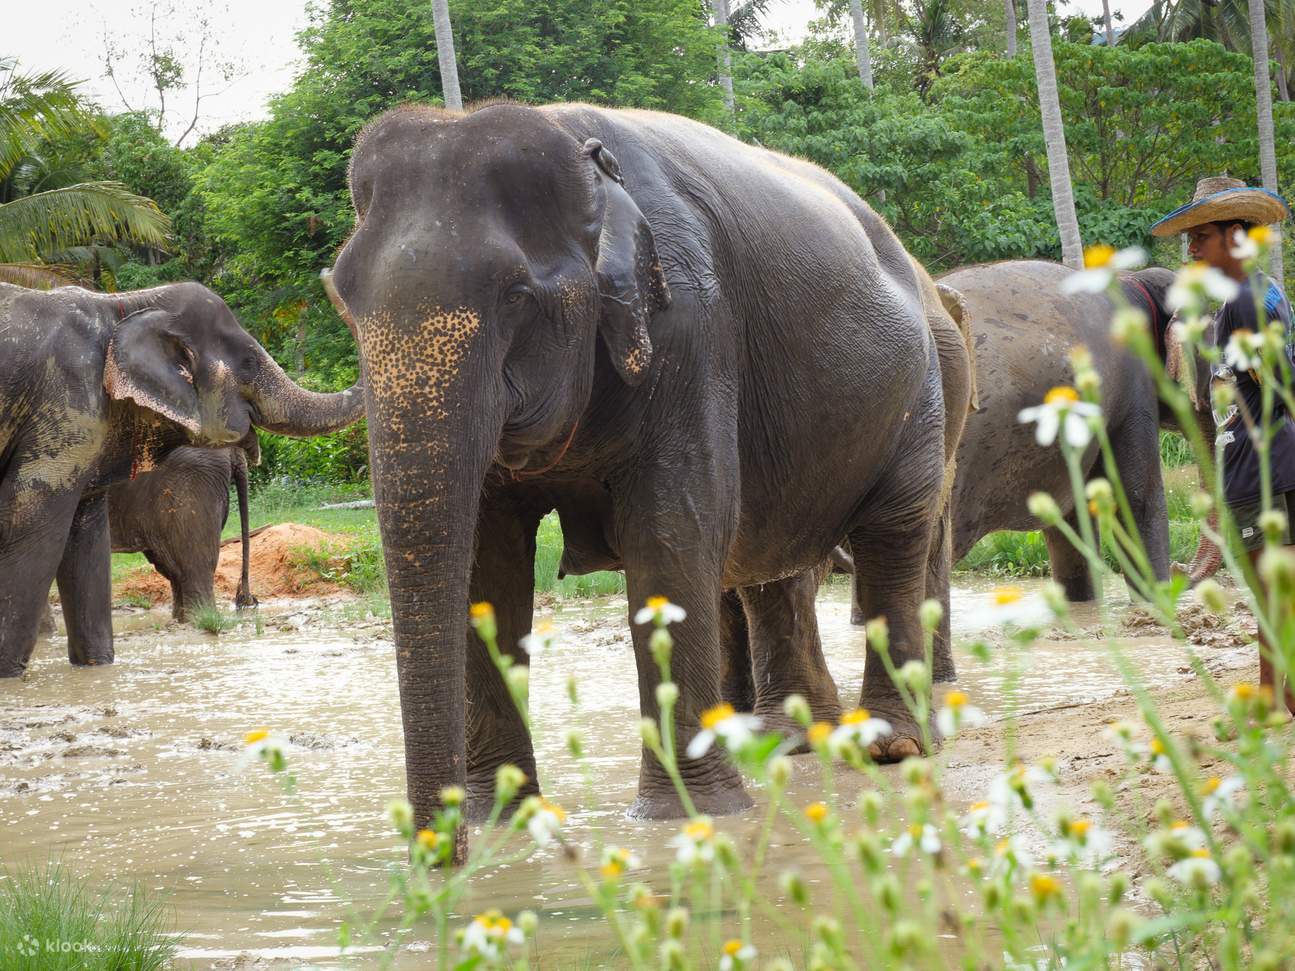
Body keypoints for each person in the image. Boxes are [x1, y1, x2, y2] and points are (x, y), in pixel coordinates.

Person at [1152, 176, 1295, 713]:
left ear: (1236, 235)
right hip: (1266, 463)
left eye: (1202, 236)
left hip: (1263, 468)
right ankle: (1272, 695)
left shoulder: (1244, 304)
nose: (1190, 249)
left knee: (1274, 592)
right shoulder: (1256, 294)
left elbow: (1280, 387)